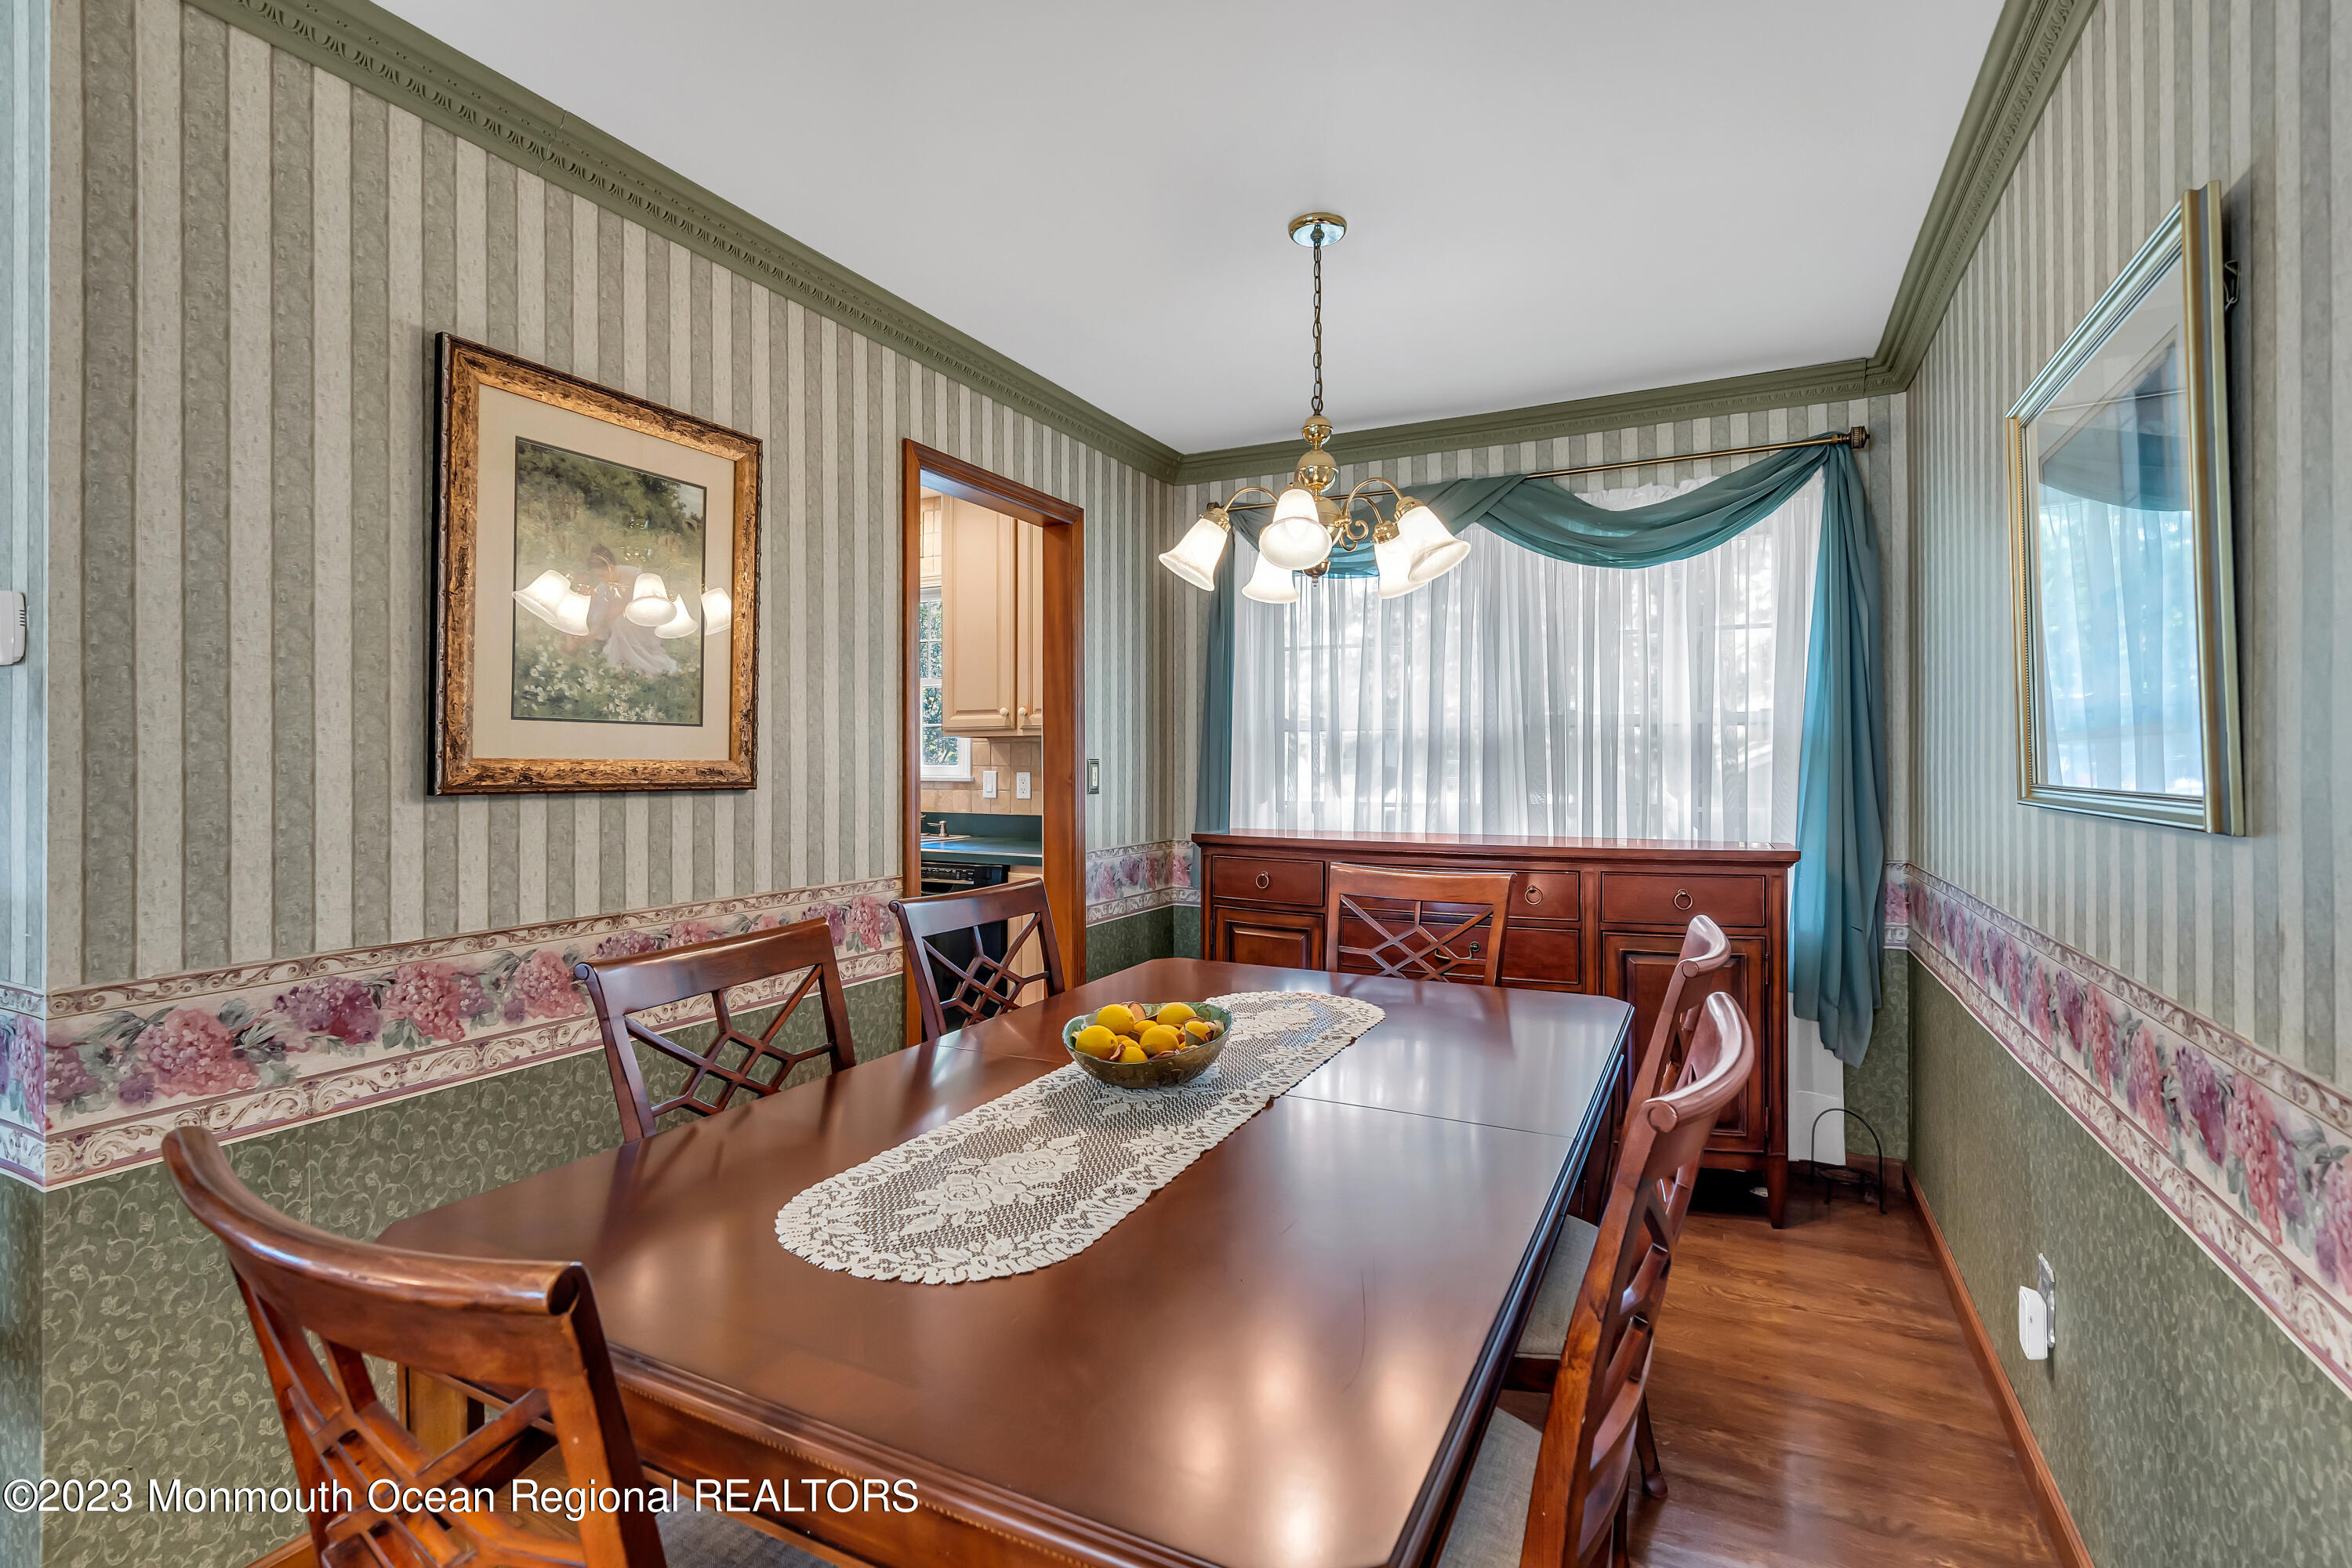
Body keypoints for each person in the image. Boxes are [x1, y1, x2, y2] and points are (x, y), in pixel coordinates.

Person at [583, 543, 678, 679]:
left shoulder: (635, 575)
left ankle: (644, 663)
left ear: (611, 567)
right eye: (598, 577)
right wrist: (589, 635)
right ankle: (627, 667)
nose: (601, 579)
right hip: (620, 628)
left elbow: (649, 602)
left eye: (602, 575)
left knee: (622, 623)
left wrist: (625, 609)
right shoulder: (603, 588)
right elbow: (602, 617)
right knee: (620, 623)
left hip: (643, 622)